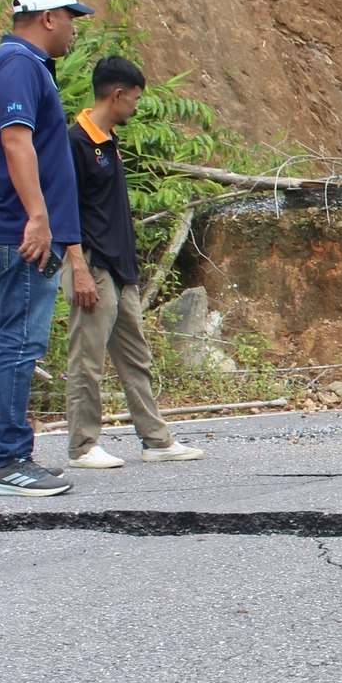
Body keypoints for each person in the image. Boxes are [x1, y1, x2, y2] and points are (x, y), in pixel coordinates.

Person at [0, 0, 91, 497]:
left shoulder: (25, 65)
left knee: (11, 343)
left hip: (21, 226)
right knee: (19, 344)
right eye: (71, 18)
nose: (74, 30)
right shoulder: (19, 64)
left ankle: (3, 455)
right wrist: (39, 218)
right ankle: (6, 460)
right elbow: (16, 142)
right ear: (48, 17)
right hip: (23, 230)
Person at [62, 56, 204, 468]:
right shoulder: (75, 143)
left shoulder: (109, 142)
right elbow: (63, 209)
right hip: (92, 264)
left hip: (120, 268)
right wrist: (79, 268)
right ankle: (83, 446)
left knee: (135, 356)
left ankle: (156, 440)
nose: (137, 107)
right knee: (87, 359)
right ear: (117, 94)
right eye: (136, 99)